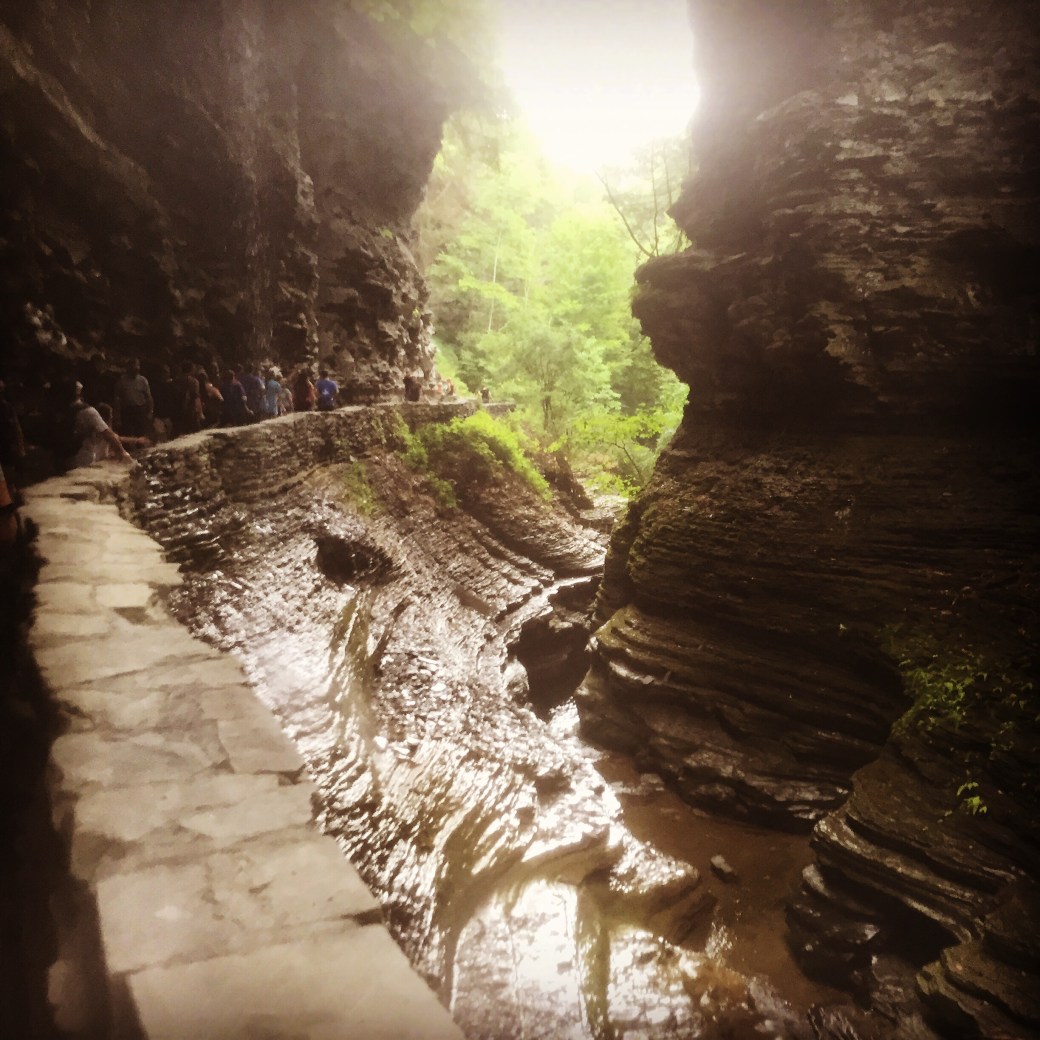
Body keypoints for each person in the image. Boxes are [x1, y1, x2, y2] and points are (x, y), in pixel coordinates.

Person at [68, 383, 134, 468]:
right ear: (78, 394)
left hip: (65, 460)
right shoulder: (88, 411)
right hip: (83, 460)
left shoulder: (59, 411)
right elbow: (109, 435)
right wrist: (123, 454)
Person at [113, 358, 153, 437]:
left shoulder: (143, 380)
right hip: (126, 410)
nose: (136, 370)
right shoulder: (122, 381)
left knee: (140, 433)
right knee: (126, 433)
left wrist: (150, 411)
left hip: (139, 409)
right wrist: (117, 413)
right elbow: (116, 397)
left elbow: (148, 397)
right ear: (128, 368)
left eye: (137, 367)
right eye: (133, 368)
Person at [0, 378, 25, 492]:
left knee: (9, 480)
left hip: (6, 450)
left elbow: (16, 429)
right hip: (6, 449)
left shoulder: (7, 408)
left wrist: (20, 447)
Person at [170, 360, 202, 436]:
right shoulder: (194, 381)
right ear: (191, 369)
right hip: (190, 410)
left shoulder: (175, 380)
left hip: (177, 409)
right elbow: (196, 397)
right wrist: (200, 412)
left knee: (178, 433)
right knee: (195, 434)